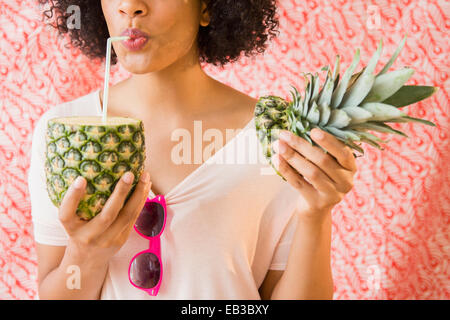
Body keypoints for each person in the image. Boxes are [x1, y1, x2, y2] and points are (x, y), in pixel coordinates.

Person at [29, 0, 356, 300]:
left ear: (206, 7)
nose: (131, 6)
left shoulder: (273, 136)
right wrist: (85, 254)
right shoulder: (60, 130)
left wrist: (316, 214)